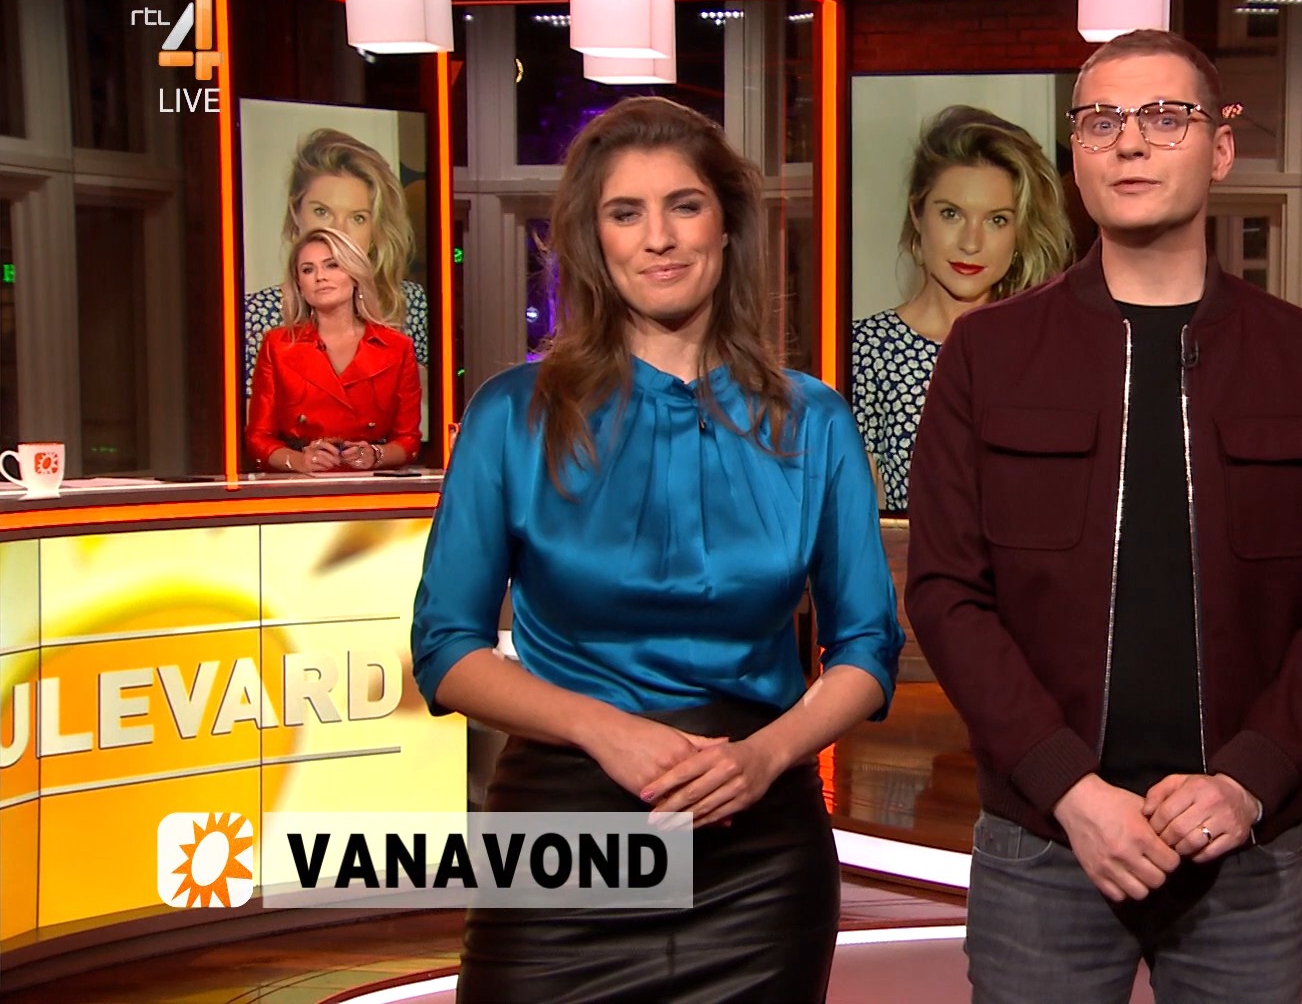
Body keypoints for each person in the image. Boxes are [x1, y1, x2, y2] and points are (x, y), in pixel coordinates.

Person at [906, 29, 1302, 1003]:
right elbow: (948, 595)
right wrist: (1067, 787)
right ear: (1075, 153)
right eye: (1101, 121)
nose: (1129, 141)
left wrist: (1248, 780)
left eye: (1165, 117)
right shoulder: (987, 353)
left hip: (1245, 847)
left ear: (1220, 149)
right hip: (1045, 840)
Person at [410, 97, 903, 1002]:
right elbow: (446, 649)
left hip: (756, 849)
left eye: (684, 205)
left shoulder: (814, 421)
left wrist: (766, 757)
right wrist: (607, 731)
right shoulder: (512, 415)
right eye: (625, 213)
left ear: (726, 225)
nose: (659, 238)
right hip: (566, 831)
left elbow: (868, 649)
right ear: (592, 241)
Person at [850, 105, 1074, 511]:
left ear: (1020, 233)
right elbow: (857, 521)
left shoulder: (1046, 353)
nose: (971, 243)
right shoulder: (864, 351)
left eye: (997, 220)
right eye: (951, 214)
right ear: (918, 214)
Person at [244, 128, 430, 391]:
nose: (338, 232)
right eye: (322, 211)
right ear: (296, 213)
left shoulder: (411, 304)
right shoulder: (254, 316)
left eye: (358, 218)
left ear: (374, 230)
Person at [245, 227, 421, 473]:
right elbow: (258, 438)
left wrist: (376, 455)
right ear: (299, 285)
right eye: (308, 270)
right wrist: (299, 461)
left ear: (355, 274)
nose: (320, 277)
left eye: (332, 265)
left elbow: (408, 440)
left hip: (368, 484)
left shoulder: (397, 347)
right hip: (301, 485)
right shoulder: (277, 345)